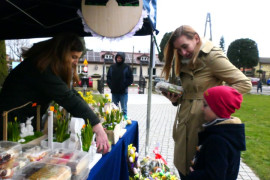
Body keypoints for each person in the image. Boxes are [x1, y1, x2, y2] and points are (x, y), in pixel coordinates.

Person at [161, 25, 252, 179]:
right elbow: (191, 91)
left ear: (196, 38)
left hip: (204, 126)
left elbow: (244, 83)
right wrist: (176, 99)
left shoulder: (211, 56)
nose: (183, 52)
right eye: (178, 50)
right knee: (184, 169)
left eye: (185, 46)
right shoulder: (185, 59)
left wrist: (214, 102)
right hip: (184, 127)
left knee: (201, 172)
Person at [0, 33, 110, 153]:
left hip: (25, 120)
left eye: (78, 58)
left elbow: (70, 93)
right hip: (10, 124)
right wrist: (97, 127)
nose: (75, 62)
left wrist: (93, 120)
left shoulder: (46, 65)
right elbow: (67, 97)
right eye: (73, 57)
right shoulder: (41, 67)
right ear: (62, 53)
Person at [187, 86, 245, 180]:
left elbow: (214, 176)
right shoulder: (226, 132)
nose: (202, 109)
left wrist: (194, 175)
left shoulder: (218, 141)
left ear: (218, 108)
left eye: (205, 105)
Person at [107, 52, 133, 120]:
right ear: (116, 58)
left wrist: (124, 85)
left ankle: (125, 119)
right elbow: (108, 77)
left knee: (124, 108)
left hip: (123, 92)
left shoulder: (127, 67)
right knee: (114, 107)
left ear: (123, 58)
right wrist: (111, 86)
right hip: (114, 92)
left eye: (120, 58)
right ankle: (115, 119)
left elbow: (130, 79)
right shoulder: (112, 67)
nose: (119, 59)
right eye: (118, 57)